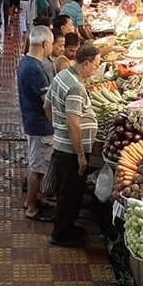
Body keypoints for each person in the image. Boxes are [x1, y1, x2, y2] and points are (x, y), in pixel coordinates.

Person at [44, 44, 101, 247]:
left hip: (62, 145)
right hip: (70, 151)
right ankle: (61, 234)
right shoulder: (75, 86)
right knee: (69, 194)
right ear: (85, 63)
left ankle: (68, 227)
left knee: (66, 191)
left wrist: (56, 129)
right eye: (96, 65)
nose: (96, 70)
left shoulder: (61, 76)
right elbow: (72, 123)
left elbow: (47, 105)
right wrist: (80, 155)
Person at [19, 26, 56, 221]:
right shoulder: (35, 69)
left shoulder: (26, 61)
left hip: (32, 121)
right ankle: (32, 207)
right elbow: (46, 103)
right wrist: (56, 124)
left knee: (35, 162)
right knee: (37, 168)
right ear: (45, 44)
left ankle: (33, 199)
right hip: (40, 125)